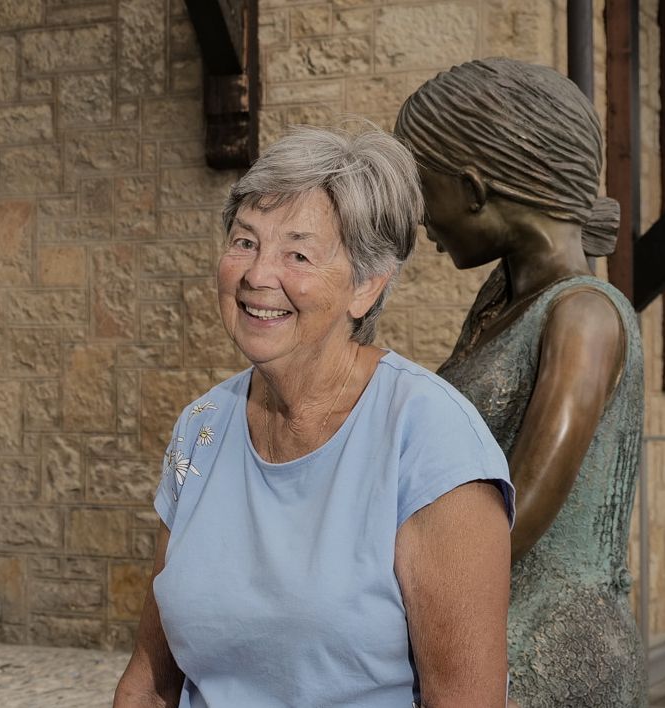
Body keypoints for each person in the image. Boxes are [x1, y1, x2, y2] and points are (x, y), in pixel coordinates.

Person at [113, 124, 515, 708]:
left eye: (297, 253)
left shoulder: (430, 440)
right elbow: (149, 684)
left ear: (365, 288)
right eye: (245, 241)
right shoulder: (200, 428)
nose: (257, 275)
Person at [394, 58, 646, 706]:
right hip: (481, 638)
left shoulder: (584, 316)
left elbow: (518, 513)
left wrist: (372, 586)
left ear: (475, 189)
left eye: (426, 191)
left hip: (549, 658)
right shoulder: (499, 301)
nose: (423, 222)